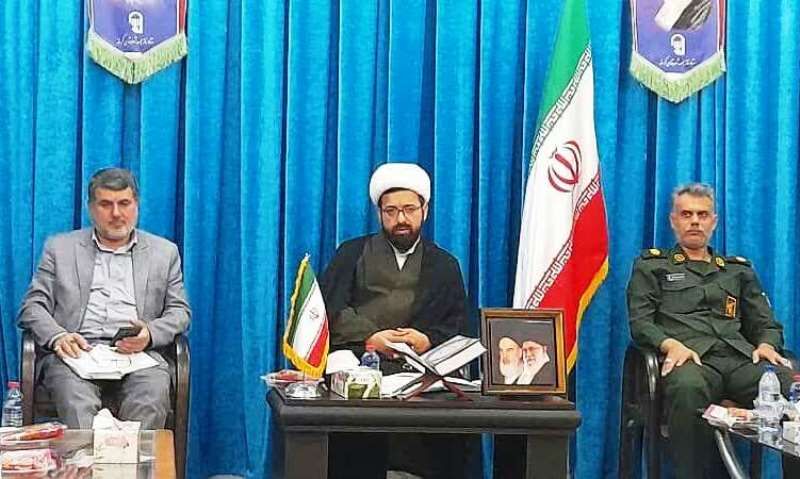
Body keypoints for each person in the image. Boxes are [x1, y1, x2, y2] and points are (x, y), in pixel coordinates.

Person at [626, 183, 793, 479]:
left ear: (713, 222)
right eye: (686, 214)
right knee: (688, 388)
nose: (694, 221)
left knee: (791, 385)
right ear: (673, 221)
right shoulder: (652, 266)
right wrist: (669, 344)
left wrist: (767, 344)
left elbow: (766, 323)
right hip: (690, 359)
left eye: (702, 215)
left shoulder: (738, 270)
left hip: (739, 361)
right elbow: (640, 323)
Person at [320, 162, 471, 479]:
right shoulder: (351, 253)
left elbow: (457, 324)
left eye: (409, 209)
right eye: (391, 211)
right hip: (361, 365)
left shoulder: (445, 265)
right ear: (379, 214)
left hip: (420, 376)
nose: (400, 219)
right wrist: (371, 338)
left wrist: (426, 339)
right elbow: (330, 309)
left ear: (424, 210)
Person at [18, 168, 191, 429]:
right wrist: (58, 337)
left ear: (136, 205)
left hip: (139, 355)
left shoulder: (164, 253)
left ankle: (129, 458)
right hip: (77, 354)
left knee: (151, 396)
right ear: (91, 208)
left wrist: (150, 334)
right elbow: (32, 307)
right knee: (75, 401)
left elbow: (179, 311)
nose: (116, 213)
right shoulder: (60, 249)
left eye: (124, 203)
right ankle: (90, 458)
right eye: (106, 204)